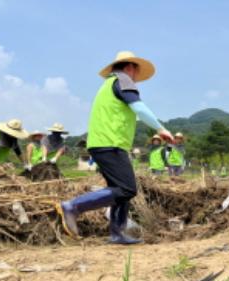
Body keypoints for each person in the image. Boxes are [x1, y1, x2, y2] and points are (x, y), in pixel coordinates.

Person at [57, 51, 174, 244]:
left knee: (119, 190)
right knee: (127, 189)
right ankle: (73, 206)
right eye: (136, 72)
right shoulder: (123, 80)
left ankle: (117, 233)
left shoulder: (108, 84)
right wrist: (161, 128)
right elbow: (139, 108)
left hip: (102, 143)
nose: (136, 78)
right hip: (110, 143)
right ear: (129, 67)